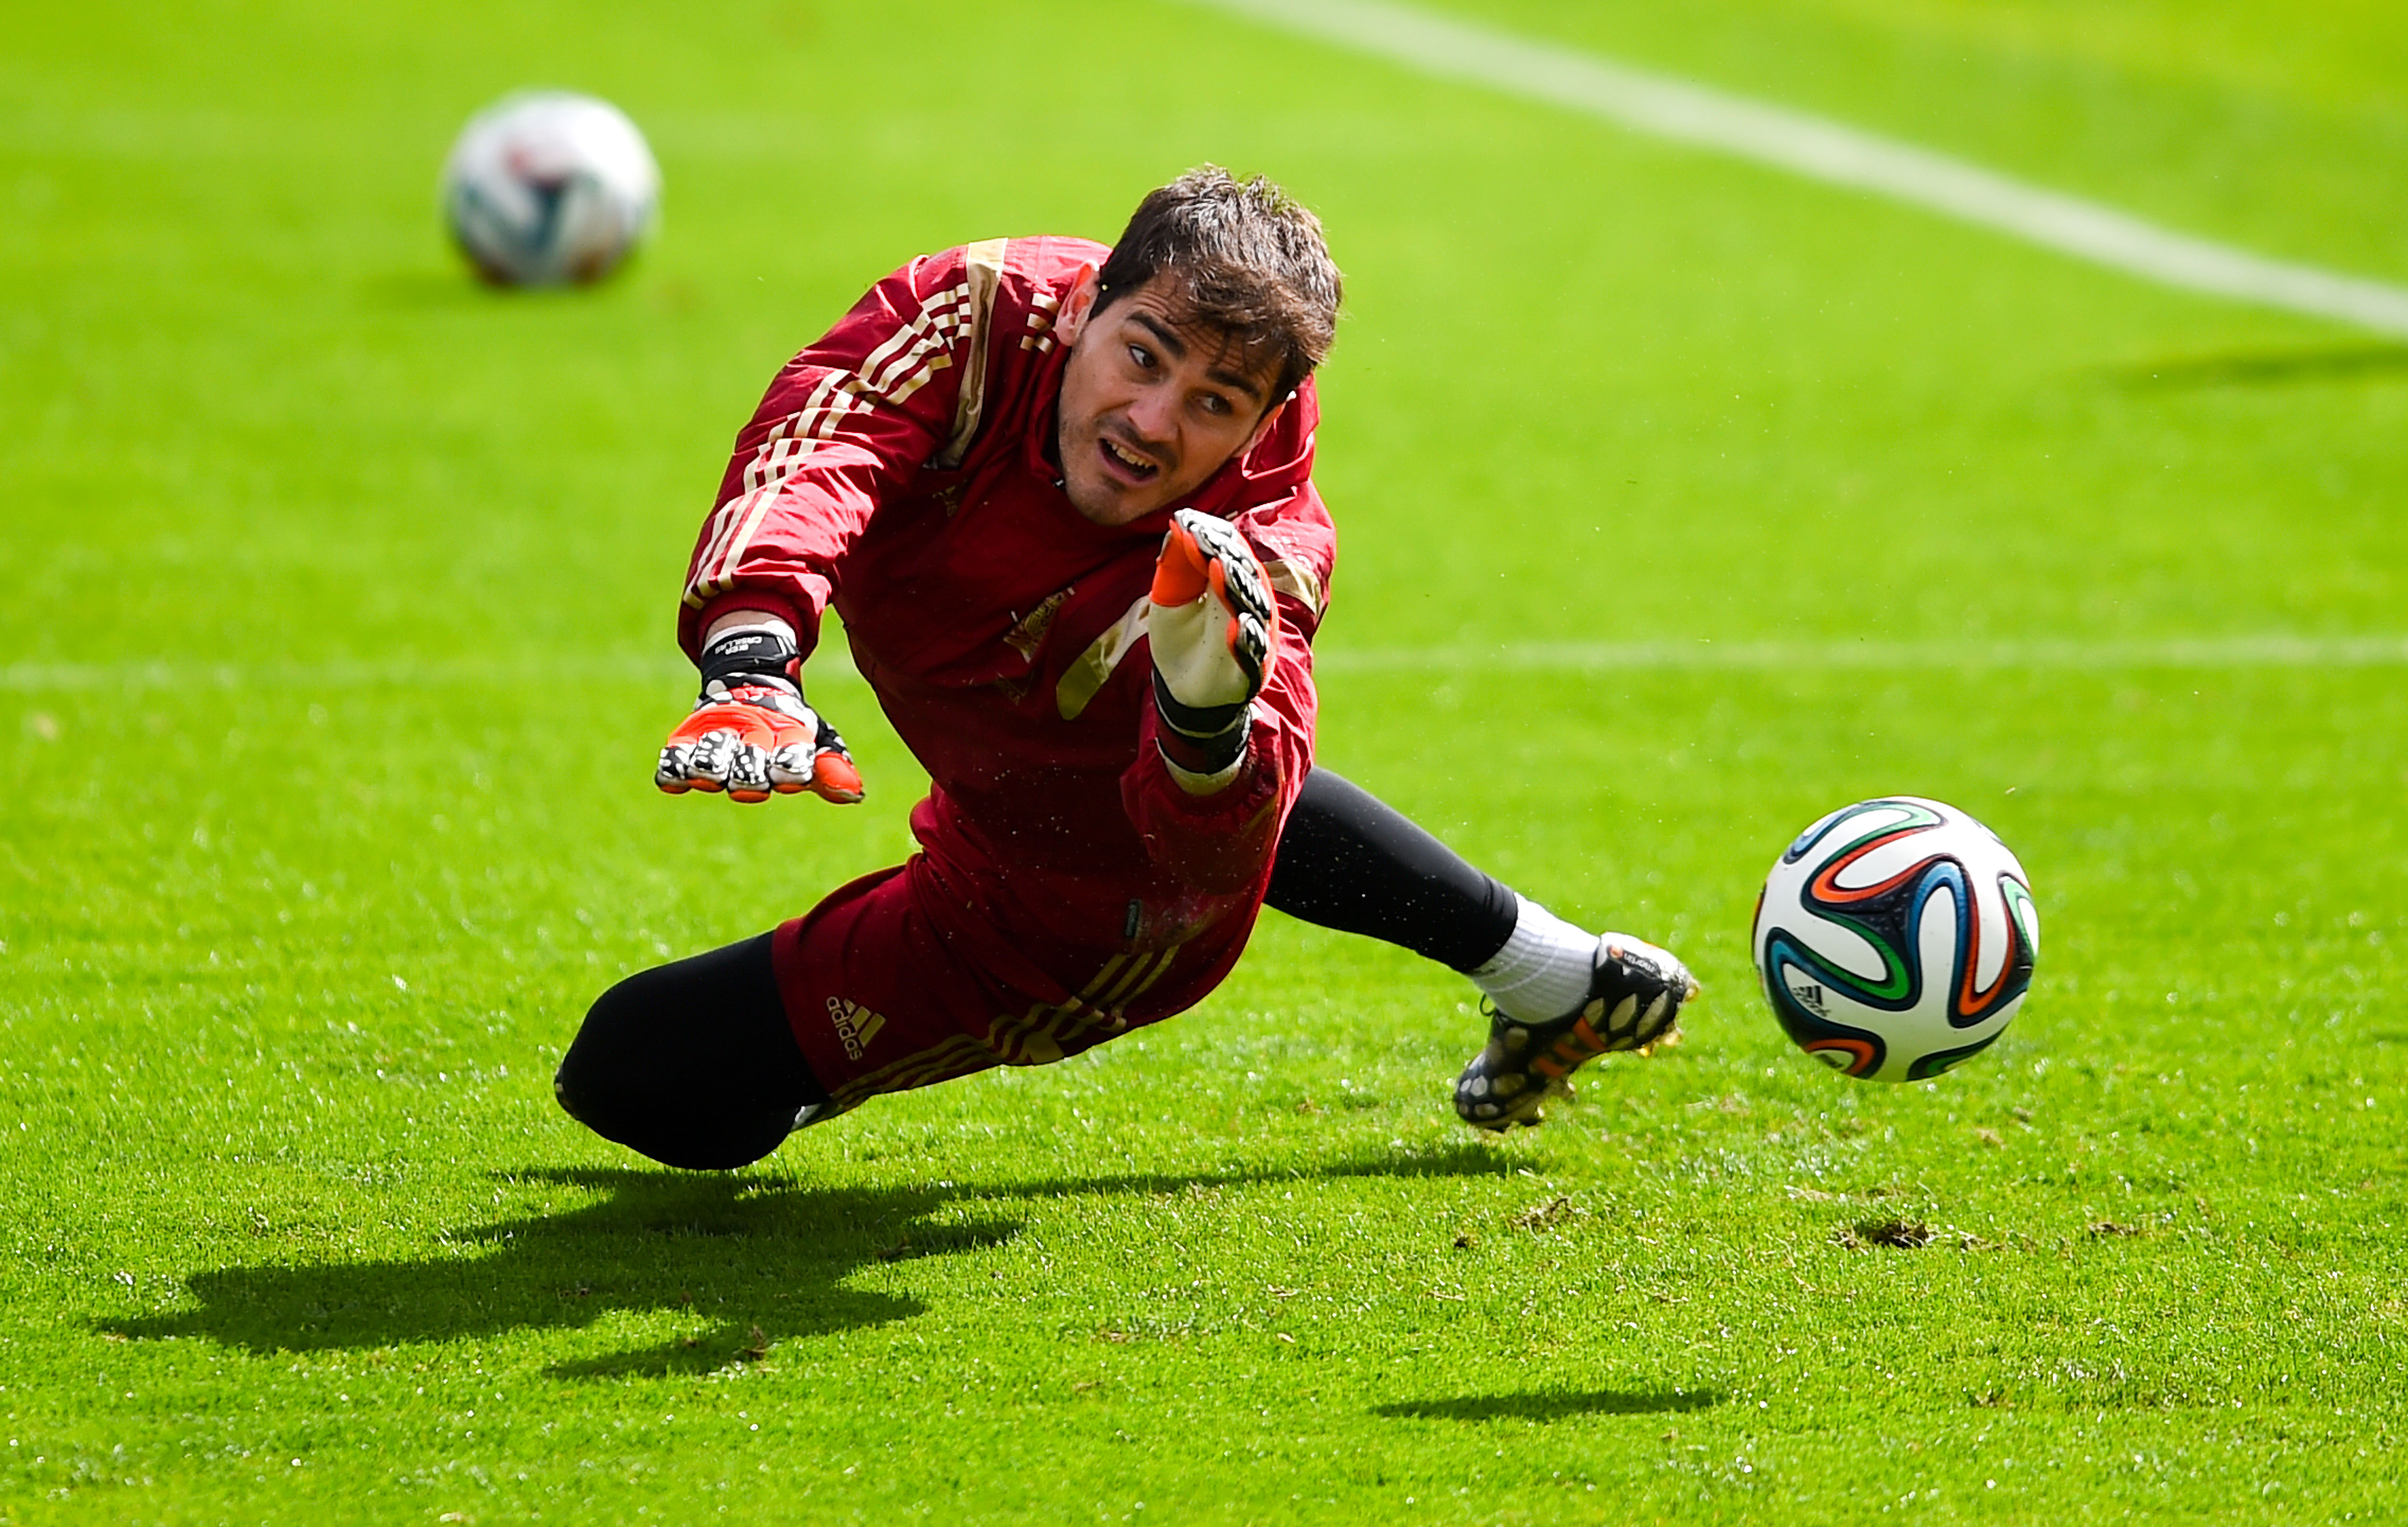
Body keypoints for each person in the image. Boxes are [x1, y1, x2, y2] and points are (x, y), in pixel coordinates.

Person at [553, 168, 1695, 1171]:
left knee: (633, 1070)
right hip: (1000, 779)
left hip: (1073, 913)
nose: (1150, 422)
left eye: (1212, 404)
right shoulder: (980, 313)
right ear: (1088, 304)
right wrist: (753, 653)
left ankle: (835, 1063)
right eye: (1141, 356)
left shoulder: (1265, 550)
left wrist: (1207, 731)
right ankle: (1559, 975)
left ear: (1258, 426)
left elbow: (1218, 856)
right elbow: (830, 436)